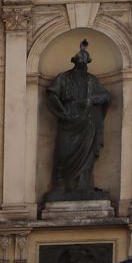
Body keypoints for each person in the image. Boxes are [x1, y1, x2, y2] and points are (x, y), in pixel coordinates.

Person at [44, 40, 111, 201]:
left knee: (87, 156)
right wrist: (63, 112)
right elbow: (52, 95)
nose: (84, 66)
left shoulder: (92, 80)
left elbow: (106, 96)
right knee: (64, 153)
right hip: (69, 121)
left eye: (86, 63)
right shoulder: (63, 78)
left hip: (88, 123)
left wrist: (92, 100)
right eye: (81, 63)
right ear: (75, 62)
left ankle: (84, 186)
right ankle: (61, 187)